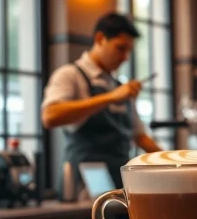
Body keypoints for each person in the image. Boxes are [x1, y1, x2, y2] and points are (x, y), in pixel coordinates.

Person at [42, 13, 162, 190]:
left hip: (120, 184)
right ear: (100, 39)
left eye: (129, 51)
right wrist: (111, 97)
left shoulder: (119, 86)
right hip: (83, 186)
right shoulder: (70, 75)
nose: (126, 57)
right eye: (121, 48)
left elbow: (140, 137)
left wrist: (174, 163)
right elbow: (50, 116)